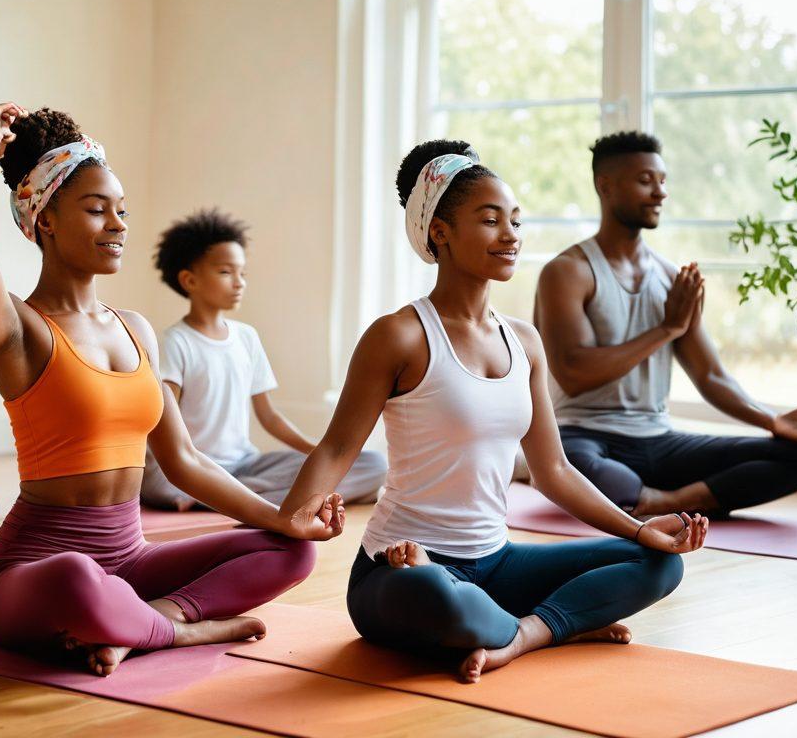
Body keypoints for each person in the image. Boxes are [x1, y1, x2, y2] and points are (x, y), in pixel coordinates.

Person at [278, 139, 707, 683]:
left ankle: (521, 633)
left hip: (496, 563)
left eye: (516, 222)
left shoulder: (523, 342)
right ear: (441, 232)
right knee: (438, 591)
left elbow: (553, 471)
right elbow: (338, 448)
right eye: (490, 220)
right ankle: (558, 624)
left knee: (660, 562)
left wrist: (639, 529)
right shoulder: (399, 336)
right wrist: (285, 520)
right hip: (401, 569)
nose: (511, 236)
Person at [0, 103, 338, 676]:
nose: (119, 224)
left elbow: (182, 460)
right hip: (36, 572)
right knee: (78, 576)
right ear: (46, 220)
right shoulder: (19, 330)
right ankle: (181, 631)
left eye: (122, 211)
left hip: (129, 561)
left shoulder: (136, 329)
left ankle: (145, 621)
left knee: (290, 549)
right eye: (97, 209)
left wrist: (280, 519)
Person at [534, 131, 797, 518]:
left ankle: (667, 502)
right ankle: (643, 495)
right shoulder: (568, 272)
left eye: (662, 181)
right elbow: (574, 373)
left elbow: (711, 376)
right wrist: (666, 329)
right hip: (586, 437)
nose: (660, 193)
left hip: (660, 441)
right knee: (569, 466)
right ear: (604, 185)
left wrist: (772, 420)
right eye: (645, 181)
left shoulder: (672, 278)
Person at [141, 208, 386, 510]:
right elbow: (164, 422)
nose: (239, 282)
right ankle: (226, 495)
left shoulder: (247, 337)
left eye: (242, 273)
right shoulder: (174, 342)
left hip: (245, 465)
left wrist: (321, 454)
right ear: (190, 281)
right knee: (160, 484)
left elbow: (269, 417)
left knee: (373, 464)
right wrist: (192, 472)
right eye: (225, 272)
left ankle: (230, 498)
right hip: (191, 468)